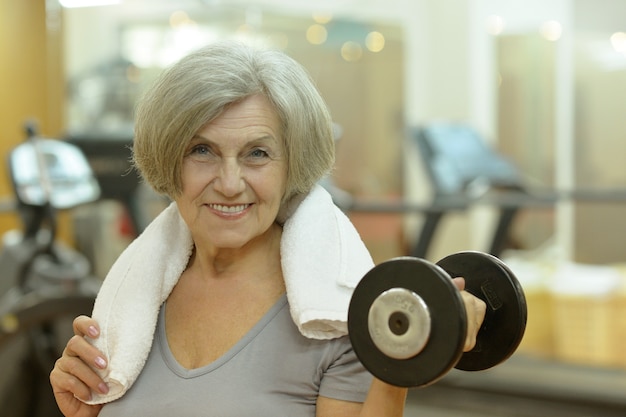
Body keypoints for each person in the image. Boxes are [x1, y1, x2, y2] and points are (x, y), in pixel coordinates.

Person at [49, 40, 486, 417]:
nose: (230, 183)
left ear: (290, 166)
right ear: (168, 161)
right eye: (203, 150)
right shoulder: (132, 307)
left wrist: (399, 364)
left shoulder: (333, 317)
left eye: (257, 153)